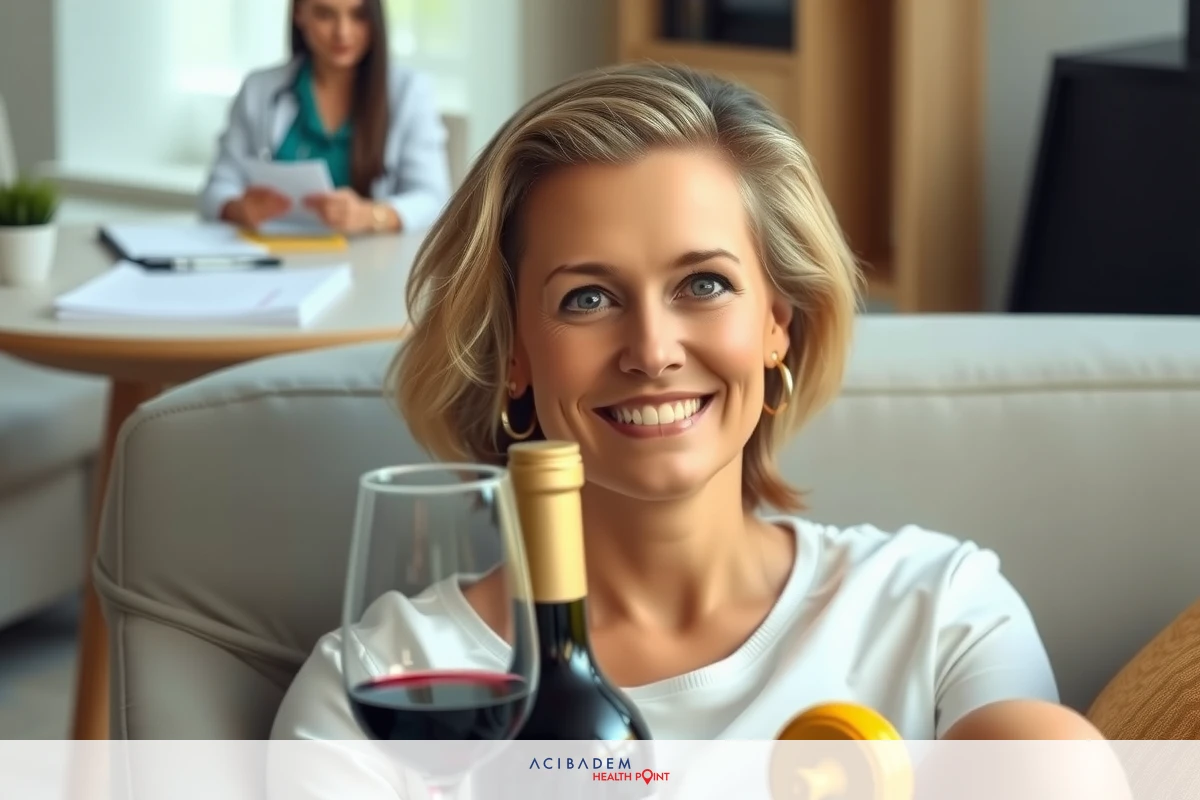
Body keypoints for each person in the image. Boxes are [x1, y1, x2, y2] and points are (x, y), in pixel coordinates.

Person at [269, 60, 1108, 794]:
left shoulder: (941, 612)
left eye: (703, 284)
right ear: (514, 355)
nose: (651, 351)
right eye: (586, 298)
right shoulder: (379, 685)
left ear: (778, 321)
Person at [198, 0, 451, 235]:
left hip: (373, 260)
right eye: (325, 14)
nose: (342, 32)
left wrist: (370, 215)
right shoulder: (259, 89)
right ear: (299, 13)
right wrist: (235, 208)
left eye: (358, 15)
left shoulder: (410, 92)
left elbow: (432, 199)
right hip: (277, 251)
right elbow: (216, 187)